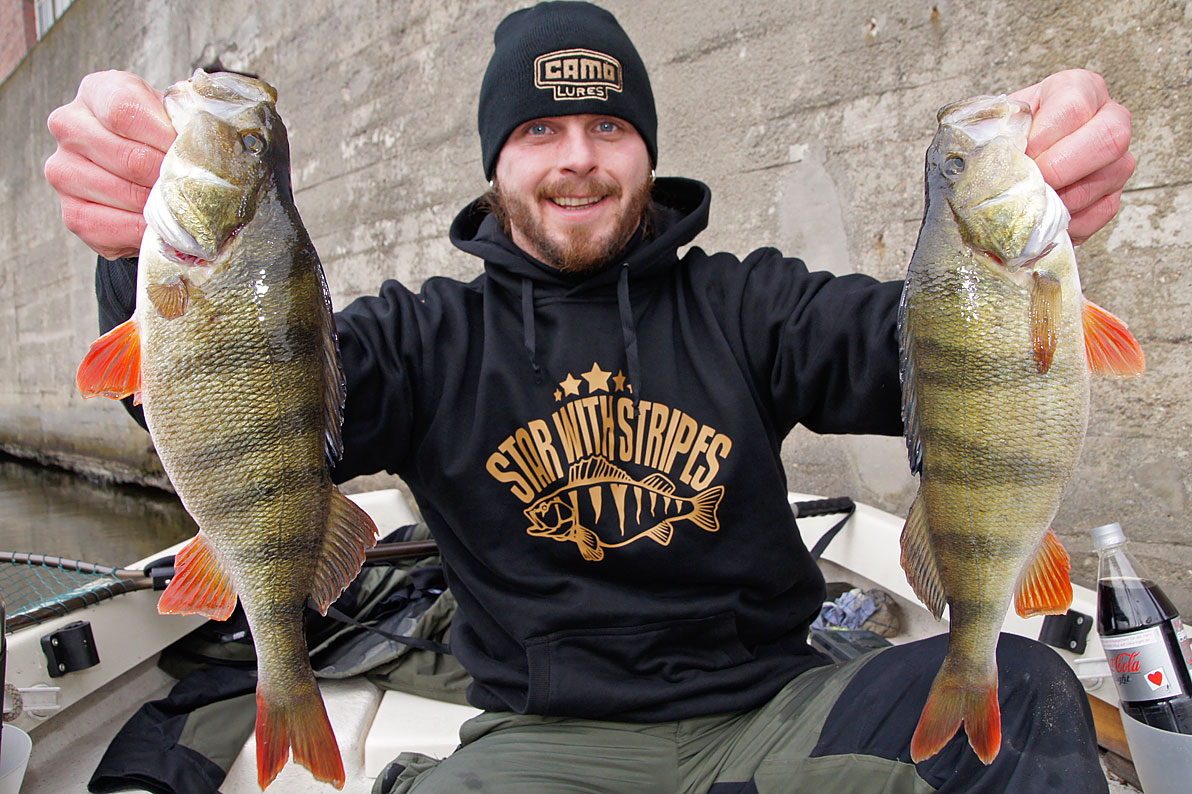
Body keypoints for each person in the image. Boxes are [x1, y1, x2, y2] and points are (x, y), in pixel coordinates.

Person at [46, 3, 1135, 793]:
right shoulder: (423, 339)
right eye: (539, 131)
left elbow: (928, 352)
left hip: (777, 711)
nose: (577, 160)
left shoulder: (749, 304)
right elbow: (240, 394)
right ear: (495, 164)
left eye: (609, 127)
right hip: (543, 742)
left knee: (1030, 689)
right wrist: (134, 251)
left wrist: (1019, 233)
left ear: (646, 150)